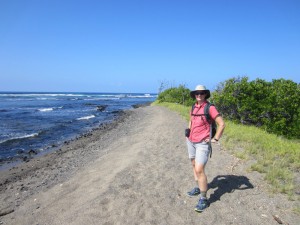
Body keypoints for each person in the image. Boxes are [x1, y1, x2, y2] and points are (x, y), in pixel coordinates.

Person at [186, 85, 225, 212]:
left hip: (203, 143)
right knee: (193, 164)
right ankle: (199, 187)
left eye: (201, 93)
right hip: (191, 140)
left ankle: (203, 198)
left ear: (205, 94)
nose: (199, 95)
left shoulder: (210, 107)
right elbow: (191, 120)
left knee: (199, 169)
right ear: (194, 94)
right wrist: (189, 130)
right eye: (197, 93)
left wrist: (216, 138)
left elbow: (221, 124)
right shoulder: (193, 106)